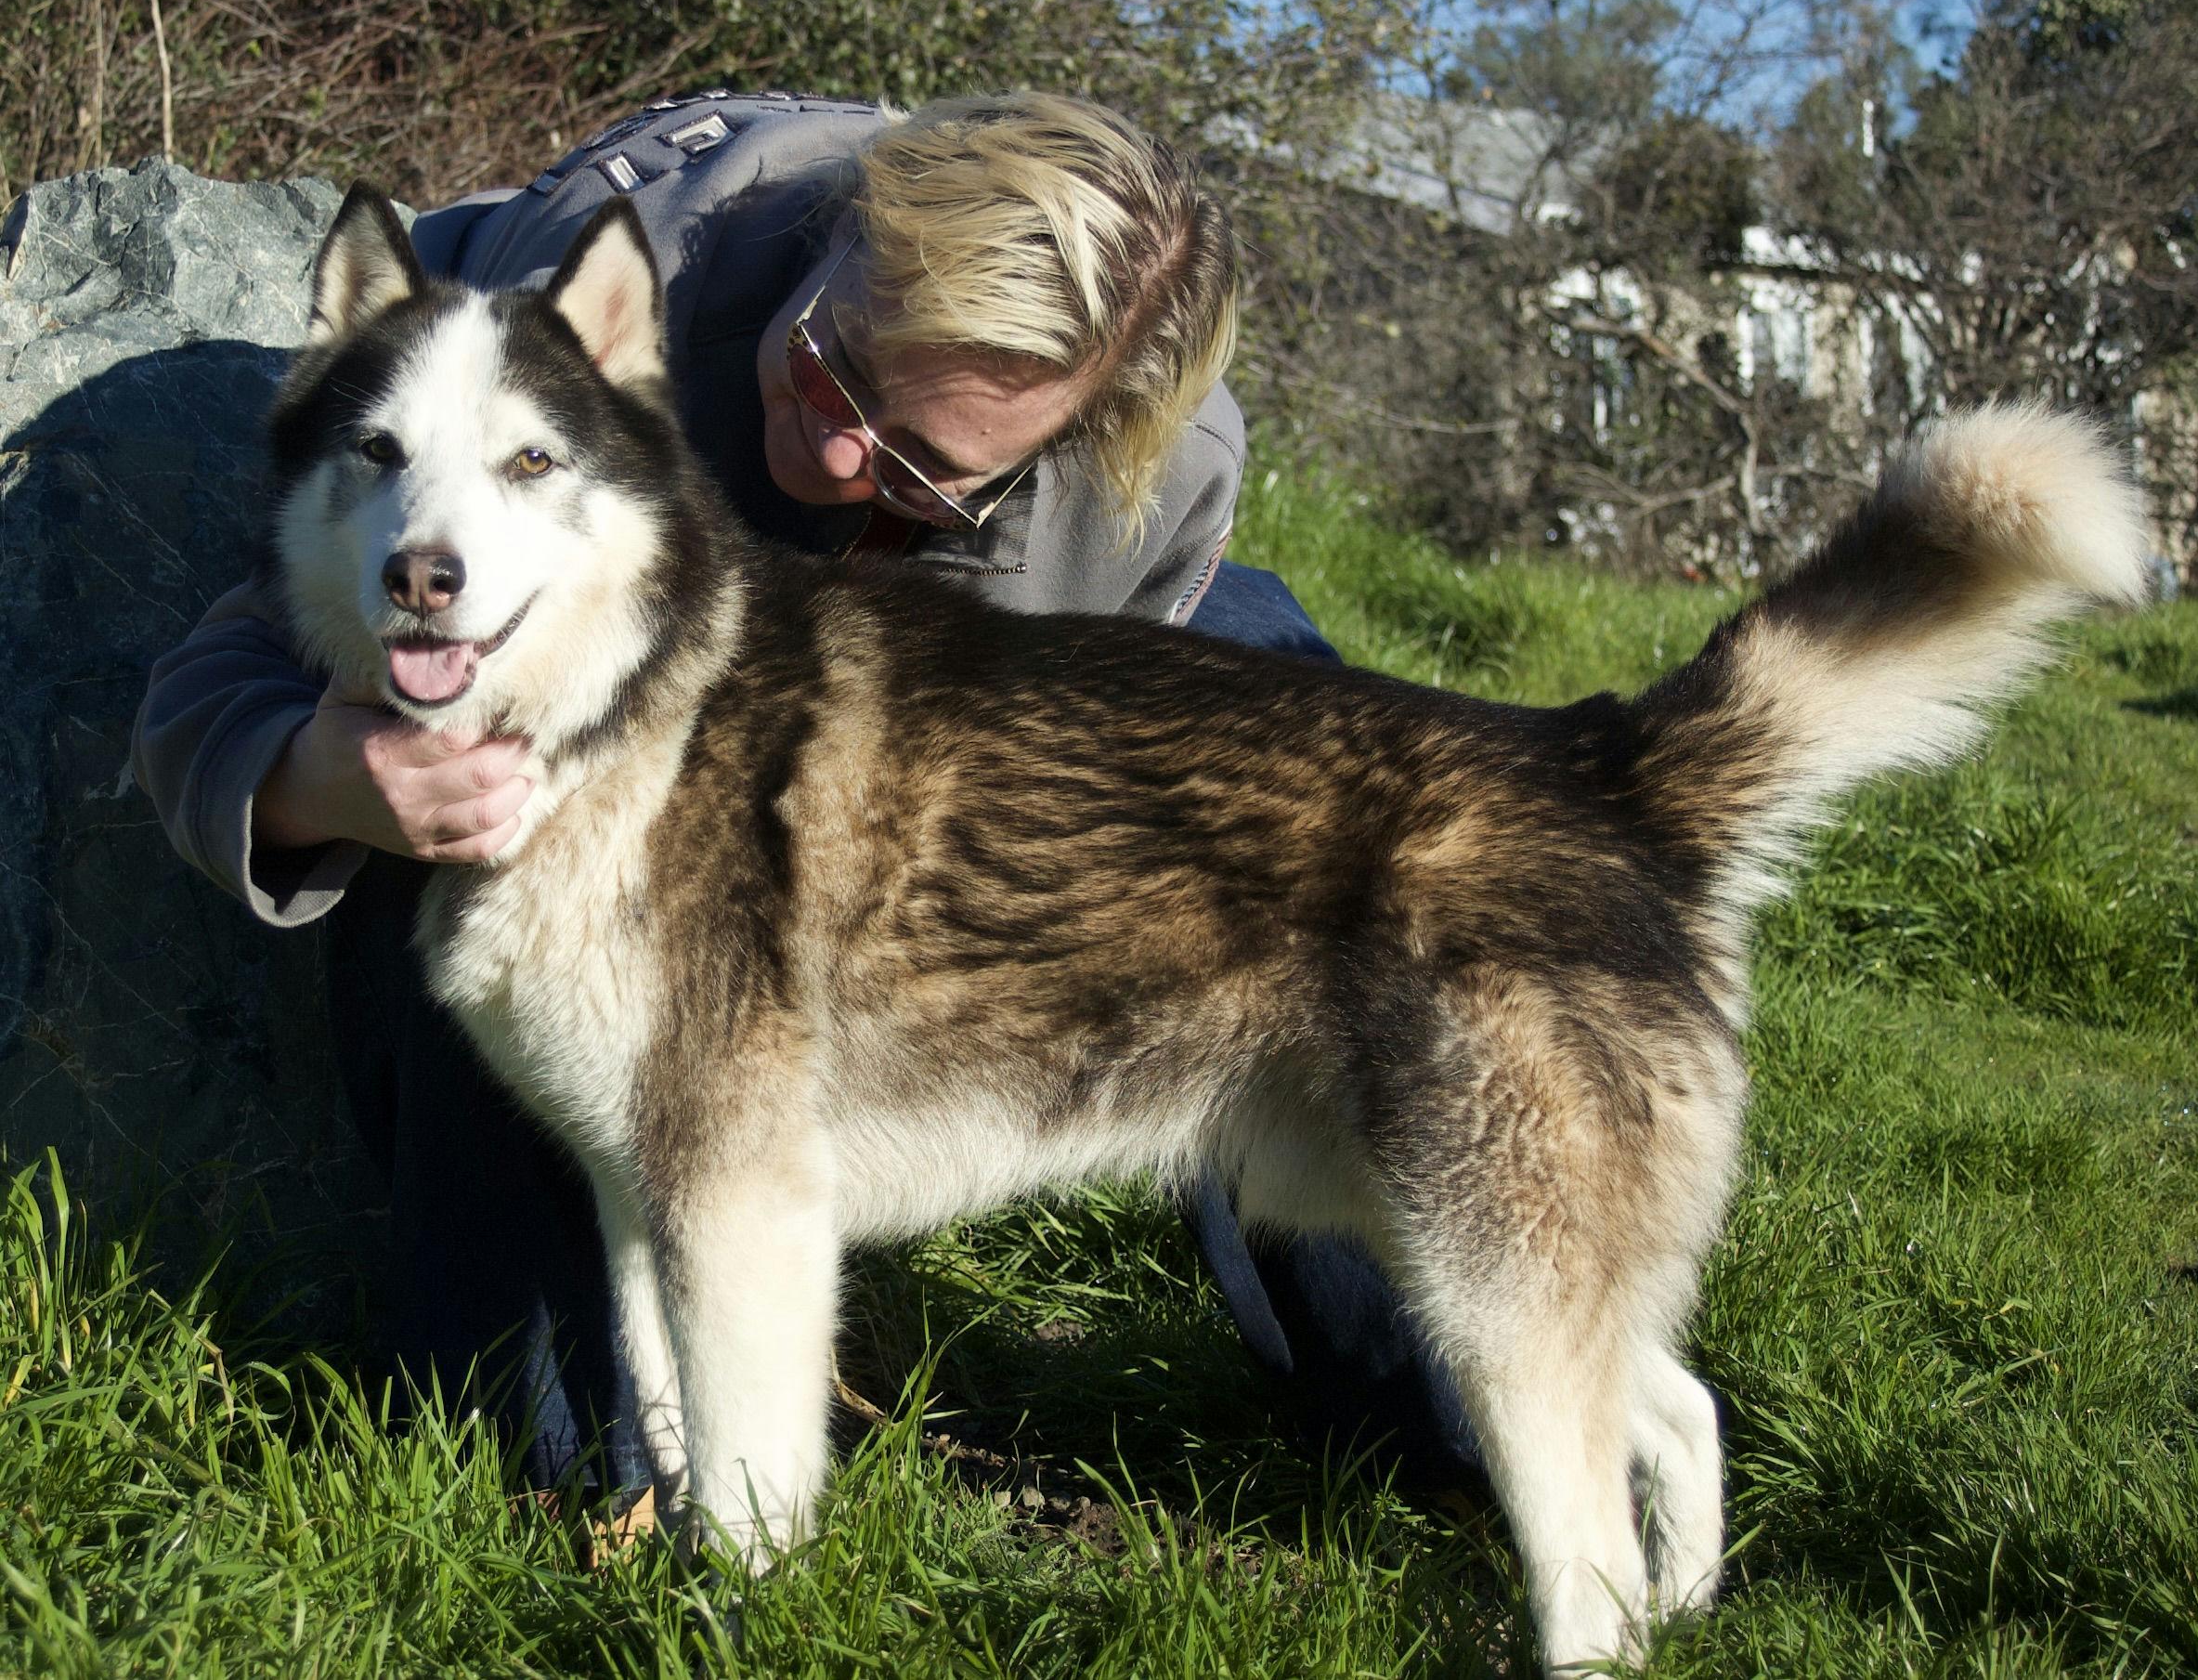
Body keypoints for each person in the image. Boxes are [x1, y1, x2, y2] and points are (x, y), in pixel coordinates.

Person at [134, 87, 1479, 1504]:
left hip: (952, 656)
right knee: (504, 866)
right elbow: (227, 674)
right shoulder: (552, 334)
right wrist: (322, 782)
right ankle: (563, 1469)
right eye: (834, 367)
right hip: (577, 626)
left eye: (922, 461)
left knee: (1328, 872)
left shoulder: (1157, 465)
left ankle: (1460, 1426)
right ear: (847, 238)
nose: (841, 454)